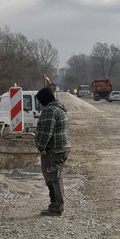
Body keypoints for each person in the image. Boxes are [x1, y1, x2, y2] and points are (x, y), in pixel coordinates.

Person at [34, 86, 70, 216]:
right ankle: (55, 205)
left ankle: (57, 207)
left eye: (40, 100)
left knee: (53, 178)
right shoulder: (59, 109)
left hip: (54, 149)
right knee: (53, 177)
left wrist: (41, 147)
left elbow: (46, 132)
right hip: (60, 148)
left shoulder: (50, 110)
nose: (40, 103)